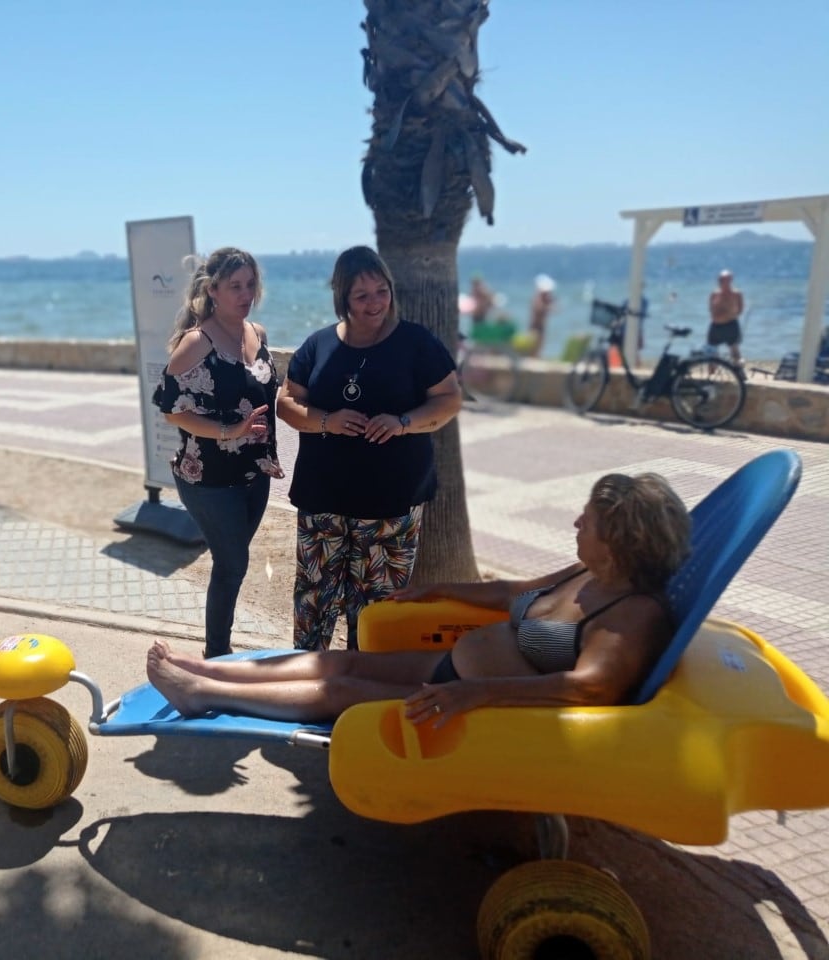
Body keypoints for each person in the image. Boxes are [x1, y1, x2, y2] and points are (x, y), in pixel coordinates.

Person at [145, 472, 691, 724]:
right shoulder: (589, 570)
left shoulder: (632, 617)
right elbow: (515, 593)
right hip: (456, 668)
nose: (576, 521)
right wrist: (440, 587)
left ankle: (204, 694)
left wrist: (474, 696)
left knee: (340, 688)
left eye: (589, 520)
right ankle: (210, 670)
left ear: (621, 540)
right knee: (343, 658)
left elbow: (591, 687)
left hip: (474, 702)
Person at [276, 246, 461, 652]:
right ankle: (307, 684)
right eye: (362, 295)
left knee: (377, 609)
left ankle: (363, 689)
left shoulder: (416, 343)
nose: (375, 303)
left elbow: (448, 399)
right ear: (342, 298)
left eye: (382, 291)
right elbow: (286, 403)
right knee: (314, 600)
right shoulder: (318, 345)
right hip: (323, 499)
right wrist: (328, 420)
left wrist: (403, 422)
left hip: (391, 505)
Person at [153, 247, 283, 659]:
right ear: (213, 290)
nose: (245, 294)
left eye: (250, 285)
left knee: (232, 564)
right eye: (235, 286)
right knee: (233, 564)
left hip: (253, 470)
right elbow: (172, 411)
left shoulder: (257, 333)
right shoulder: (197, 342)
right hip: (207, 476)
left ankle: (219, 653)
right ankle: (216, 656)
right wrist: (230, 430)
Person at [708, 269, 745, 364]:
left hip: (730, 324)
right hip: (715, 325)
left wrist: (728, 314)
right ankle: (711, 374)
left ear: (730, 280)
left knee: (734, 350)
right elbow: (711, 308)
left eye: (724, 279)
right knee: (711, 350)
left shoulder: (736, 293)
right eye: (720, 279)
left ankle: (739, 371)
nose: (721, 282)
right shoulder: (714, 293)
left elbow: (740, 309)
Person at [525, 274, 556, 358]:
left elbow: (555, 308)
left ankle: (535, 358)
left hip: (540, 327)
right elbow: (539, 309)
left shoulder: (544, 299)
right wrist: (548, 306)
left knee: (539, 348)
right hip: (535, 327)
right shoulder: (538, 298)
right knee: (534, 349)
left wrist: (549, 303)